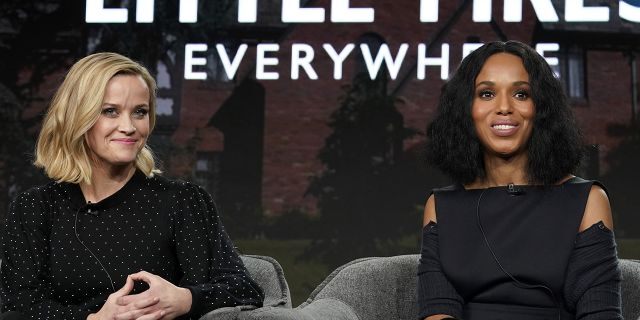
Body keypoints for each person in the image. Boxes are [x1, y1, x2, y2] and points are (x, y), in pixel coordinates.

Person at [0, 52, 264, 320]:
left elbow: (243, 289)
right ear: (77, 116)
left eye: (140, 112)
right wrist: (93, 319)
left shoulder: (183, 201)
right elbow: (16, 306)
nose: (128, 127)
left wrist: (185, 299)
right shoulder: (34, 208)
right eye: (110, 111)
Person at [417, 41, 622, 319]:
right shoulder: (441, 206)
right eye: (487, 93)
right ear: (466, 109)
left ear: (541, 109)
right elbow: (438, 311)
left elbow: (600, 313)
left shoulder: (587, 201)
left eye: (521, 94)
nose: (504, 107)